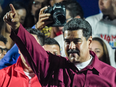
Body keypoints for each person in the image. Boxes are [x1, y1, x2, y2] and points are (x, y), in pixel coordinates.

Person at [3, 4, 116, 86]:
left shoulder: (111, 76)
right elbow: (31, 47)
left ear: (89, 41)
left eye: (77, 41)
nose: (71, 46)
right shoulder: (50, 66)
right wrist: (17, 27)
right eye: (67, 41)